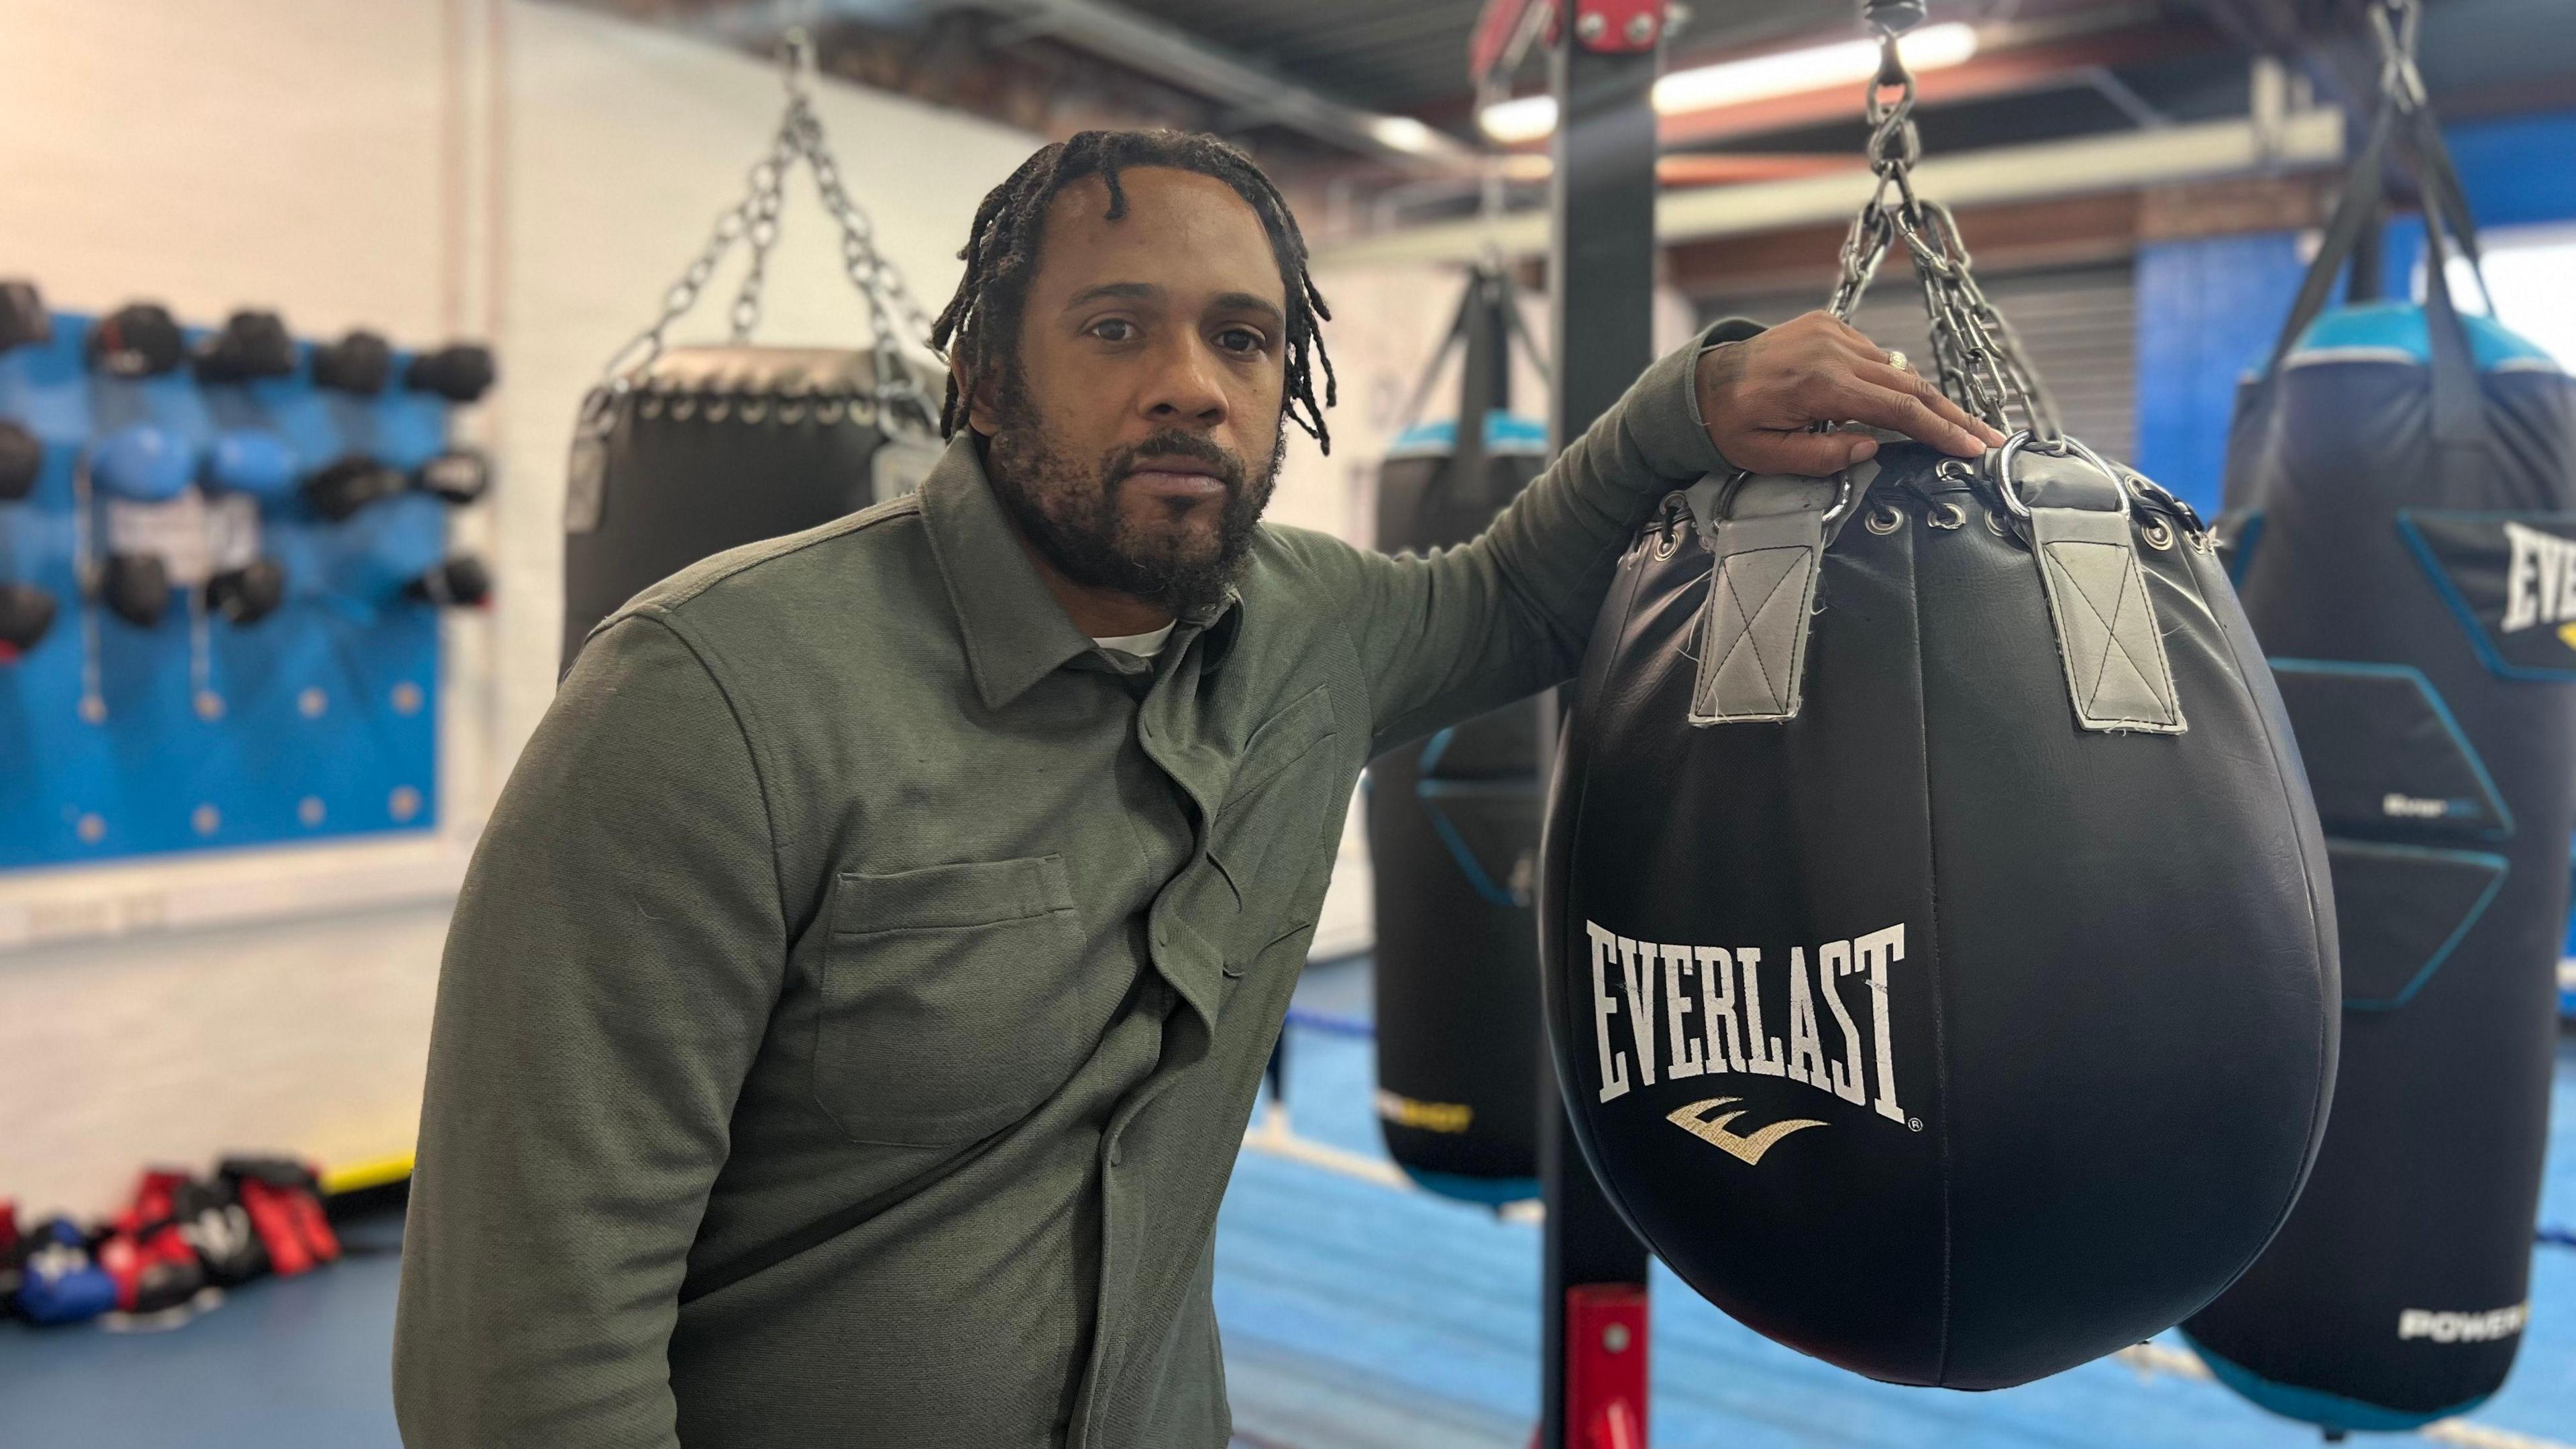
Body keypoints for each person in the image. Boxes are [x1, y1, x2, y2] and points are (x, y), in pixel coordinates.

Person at [390, 127, 2001, 1448]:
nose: (1192, 384)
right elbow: (526, 1364)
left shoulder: (1309, 629)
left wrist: (1692, 403)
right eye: (1115, 329)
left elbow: (1516, 594)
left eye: (1241, 337)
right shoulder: (705, 700)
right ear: (981, 379)